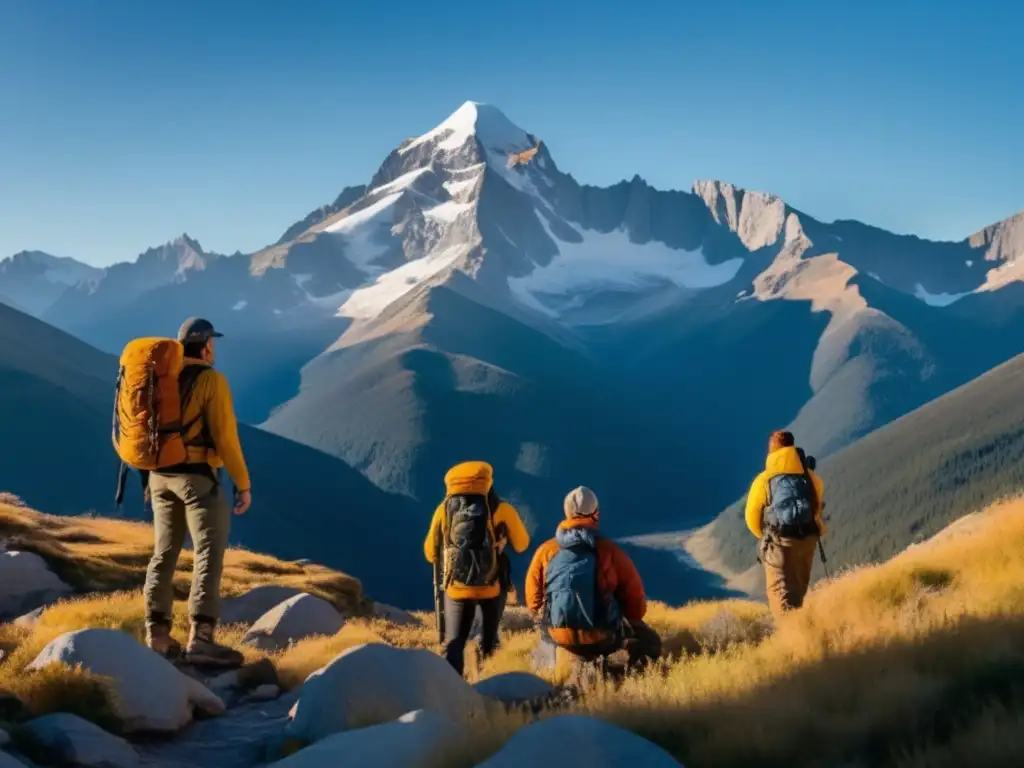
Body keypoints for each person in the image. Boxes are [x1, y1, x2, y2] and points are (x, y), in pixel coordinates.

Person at [142, 318, 252, 666]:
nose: (213, 349)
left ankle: (157, 636)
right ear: (205, 346)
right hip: (197, 478)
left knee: (164, 553)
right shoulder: (211, 381)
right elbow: (225, 438)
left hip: (159, 477)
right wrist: (243, 484)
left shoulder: (162, 378)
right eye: (212, 344)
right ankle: (201, 639)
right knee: (208, 552)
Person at [525, 486, 661, 673]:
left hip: (557, 636)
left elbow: (533, 601)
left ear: (567, 514)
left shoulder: (546, 551)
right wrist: (632, 621)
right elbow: (634, 598)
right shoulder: (608, 551)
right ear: (595, 514)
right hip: (602, 638)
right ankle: (618, 674)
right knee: (651, 641)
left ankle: (554, 665)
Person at [424, 461, 529, 676]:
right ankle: (488, 683)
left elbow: (429, 553)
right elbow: (522, 543)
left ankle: (453, 689)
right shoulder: (501, 509)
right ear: (488, 481)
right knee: (489, 639)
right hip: (492, 585)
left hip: (457, 587)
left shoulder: (443, 510)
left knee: (454, 642)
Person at [744, 430, 826, 618]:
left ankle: (790, 641)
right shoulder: (809, 476)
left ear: (772, 451)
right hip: (809, 539)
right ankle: (802, 631)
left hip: (780, 541)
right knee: (798, 592)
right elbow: (817, 502)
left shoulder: (765, 480)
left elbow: (751, 517)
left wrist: (765, 537)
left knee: (780, 595)